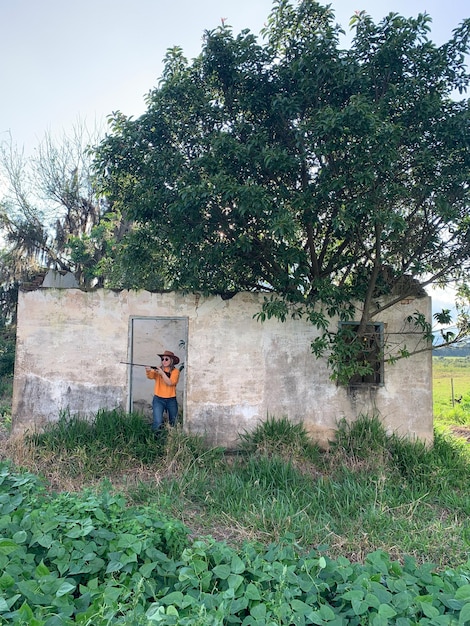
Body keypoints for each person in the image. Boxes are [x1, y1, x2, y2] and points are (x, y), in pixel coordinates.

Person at [145, 350, 181, 431]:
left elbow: (170, 382)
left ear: (171, 360)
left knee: (173, 421)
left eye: (166, 359)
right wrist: (148, 371)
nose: (164, 361)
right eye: (162, 359)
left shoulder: (175, 371)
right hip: (158, 399)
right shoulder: (159, 370)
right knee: (157, 422)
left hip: (171, 400)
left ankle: (173, 440)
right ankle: (155, 440)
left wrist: (162, 373)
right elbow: (151, 376)